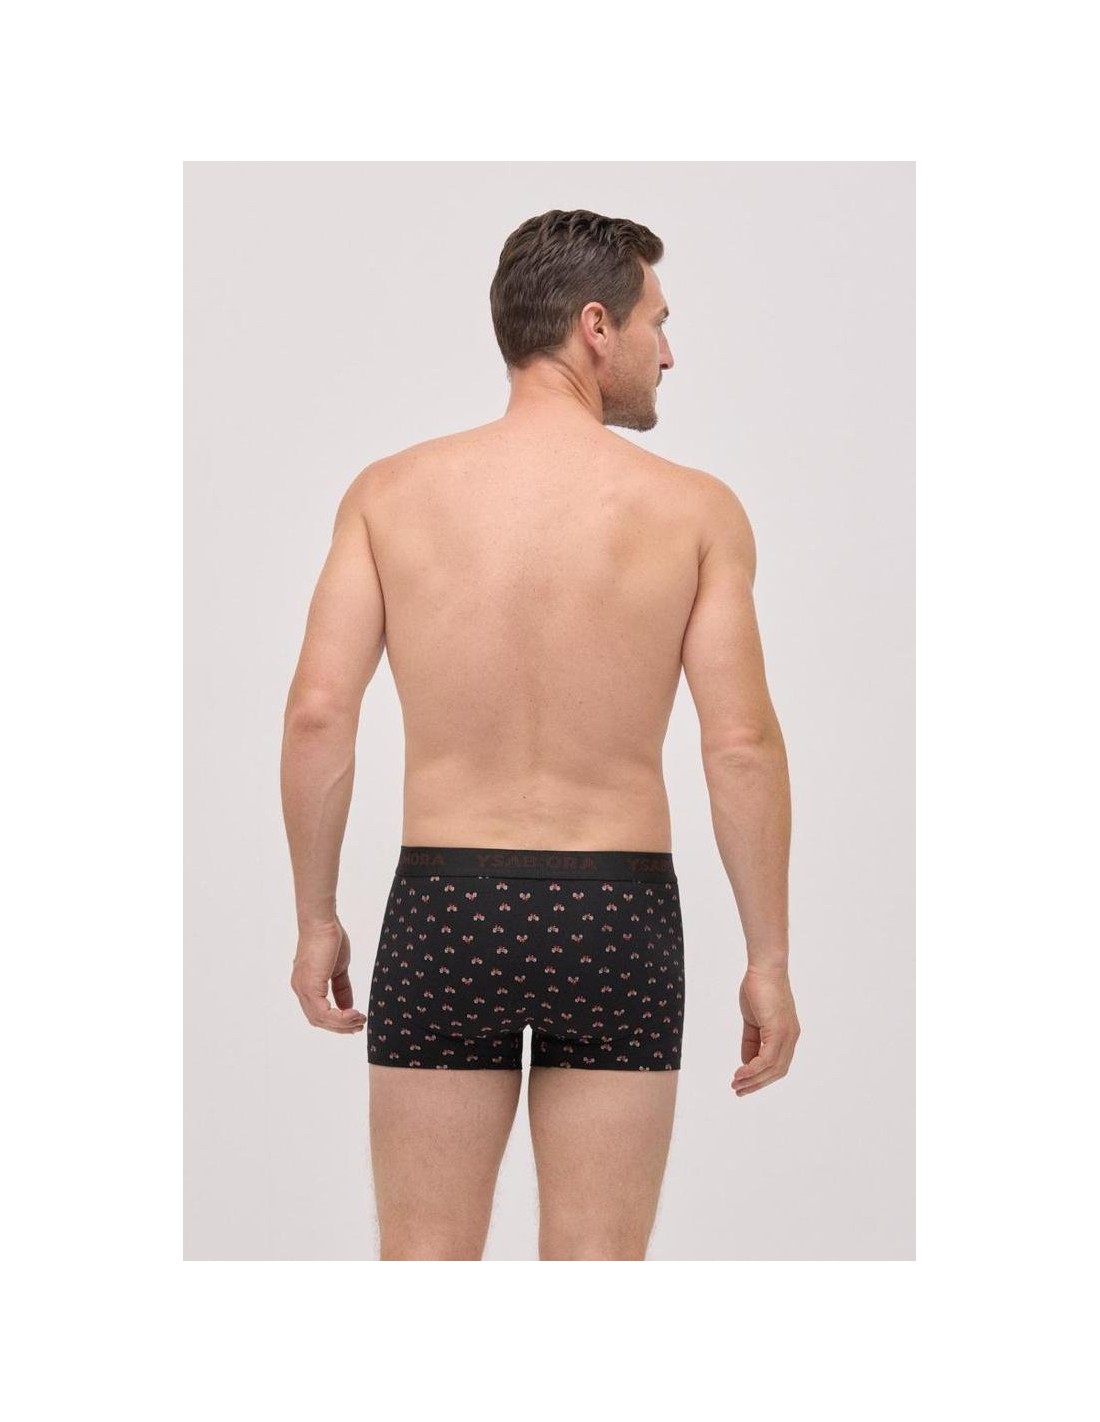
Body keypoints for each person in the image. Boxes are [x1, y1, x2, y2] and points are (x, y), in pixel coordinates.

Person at [281, 208, 800, 1261]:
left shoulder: (389, 495)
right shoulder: (694, 511)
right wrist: (768, 958)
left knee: (424, 1263)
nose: (668, 351)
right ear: (595, 327)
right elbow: (739, 741)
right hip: (617, 915)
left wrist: (316, 917)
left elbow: (318, 714)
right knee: (595, 1270)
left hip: (446, 908)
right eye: (658, 322)